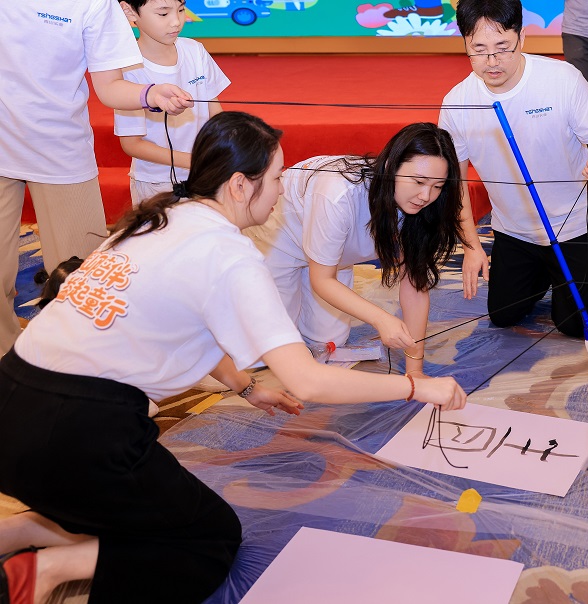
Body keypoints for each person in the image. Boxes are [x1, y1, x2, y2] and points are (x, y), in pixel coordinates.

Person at [0, 112, 466, 604]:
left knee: (145, 517)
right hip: (77, 433)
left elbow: (179, 327)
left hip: (11, 402)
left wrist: (246, 385)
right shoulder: (231, 256)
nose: (284, 190)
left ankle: (19, 530)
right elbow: (309, 382)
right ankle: (45, 570)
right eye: (278, 178)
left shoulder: (158, 218)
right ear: (241, 185)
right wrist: (417, 386)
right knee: (209, 540)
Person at [0, 1, 193, 356]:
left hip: (59, 150)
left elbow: (110, 86)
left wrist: (150, 94)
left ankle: (86, 367)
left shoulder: (93, 4)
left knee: (82, 276)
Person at [439, 0, 588, 338]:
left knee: (573, 325)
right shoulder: (457, 102)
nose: (492, 61)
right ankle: (544, 270)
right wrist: (471, 246)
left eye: (503, 48)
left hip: (574, 223)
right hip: (514, 230)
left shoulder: (561, 79)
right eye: (479, 49)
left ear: (521, 38)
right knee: (504, 315)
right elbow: (455, 182)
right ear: (465, 43)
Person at [246, 122, 465, 376]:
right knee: (265, 348)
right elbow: (322, 280)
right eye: (418, 181)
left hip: (334, 257)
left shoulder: (421, 209)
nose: (426, 196)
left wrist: (414, 370)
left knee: (328, 341)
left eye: (437, 186)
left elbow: (415, 286)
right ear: (390, 167)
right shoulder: (339, 195)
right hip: (283, 236)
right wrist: (381, 318)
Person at [116, 0, 230, 205]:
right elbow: (132, 144)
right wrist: (194, 161)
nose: (176, 21)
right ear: (130, 12)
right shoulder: (128, 68)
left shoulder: (194, 50)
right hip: (156, 183)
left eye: (181, 10)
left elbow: (216, 114)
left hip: (204, 176)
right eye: (163, 14)